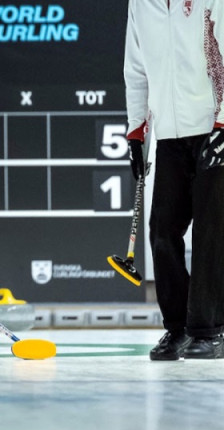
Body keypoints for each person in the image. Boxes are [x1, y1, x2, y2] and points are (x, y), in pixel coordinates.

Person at [124, 0, 224, 360]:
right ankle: (178, 328)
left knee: (211, 233)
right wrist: (136, 133)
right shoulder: (141, 4)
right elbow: (135, 68)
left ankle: (210, 331)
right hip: (169, 134)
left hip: (213, 128)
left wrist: (223, 125)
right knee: (162, 231)